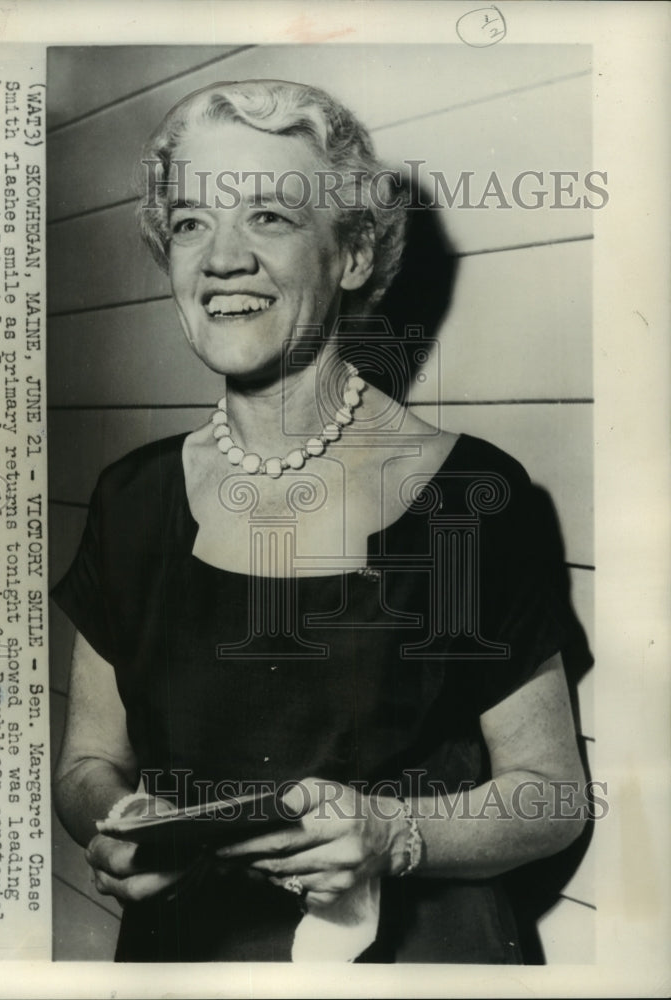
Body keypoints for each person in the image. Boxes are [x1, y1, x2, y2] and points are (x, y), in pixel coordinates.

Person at [52, 79, 591, 963]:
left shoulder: (465, 498)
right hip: (186, 958)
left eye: (268, 215)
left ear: (349, 256)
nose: (220, 257)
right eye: (190, 222)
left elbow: (551, 796)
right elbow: (86, 768)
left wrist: (391, 833)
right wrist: (115, 824)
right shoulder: (133, 500)